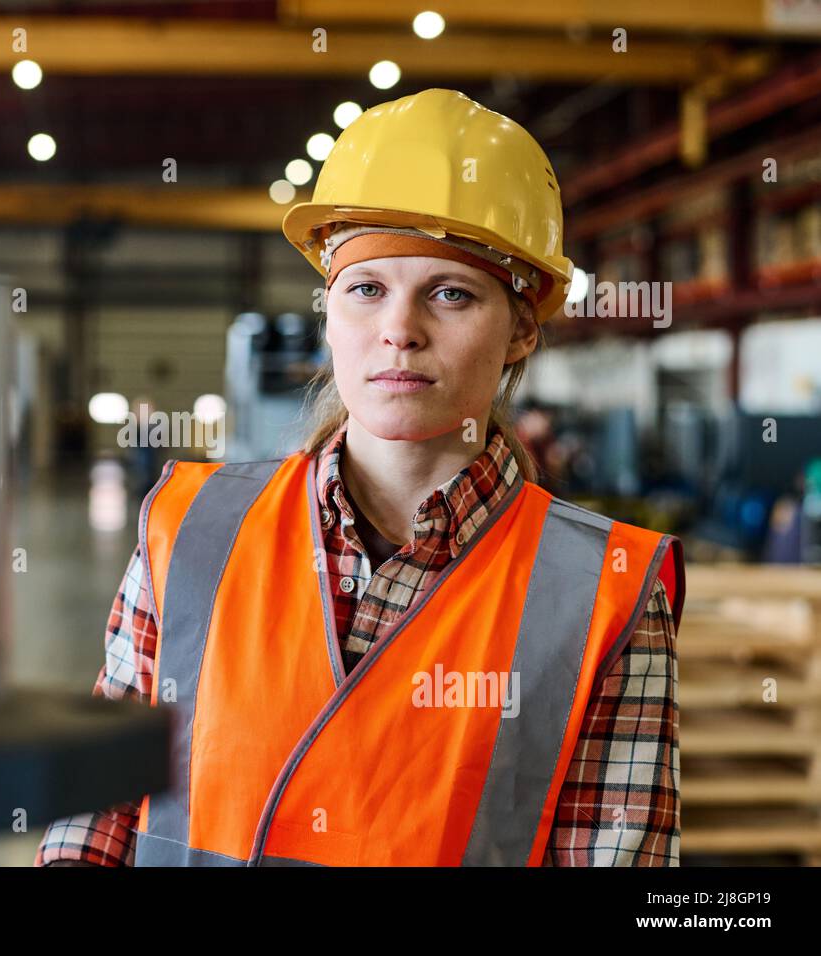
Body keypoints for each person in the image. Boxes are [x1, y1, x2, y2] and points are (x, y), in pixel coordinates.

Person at [35, 88, 685, 867]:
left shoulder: (602, 590)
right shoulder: (191, 526)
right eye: (367, 288)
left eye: (450, 294)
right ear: (329, 312)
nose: (399, 331)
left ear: (520, 331)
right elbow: (93, 818)